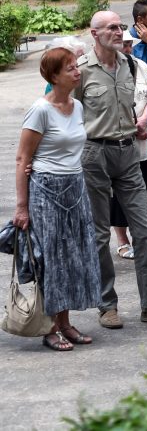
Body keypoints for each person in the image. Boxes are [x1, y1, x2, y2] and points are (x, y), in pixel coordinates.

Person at [75, 11, 147, 329]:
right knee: (99, 235)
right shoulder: (81, 71)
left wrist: (140, 123)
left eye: (120, 26)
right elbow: (63, 111)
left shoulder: (133, 67)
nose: (117, 31)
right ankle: (107, 305)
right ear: (94, 34)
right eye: (111, 27)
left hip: (129, 154)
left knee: (145, 232)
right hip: (93, 154)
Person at [13, 47, 101, 351]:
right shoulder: (40, 110)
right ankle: (50, 327)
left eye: (76, 66)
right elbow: (22, 157)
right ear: (53, 76)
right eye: (70, 68)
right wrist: (22, 206)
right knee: (50, 259)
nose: (77, 71)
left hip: (75, 187)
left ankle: (65, 323)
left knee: (73, 256)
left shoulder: (76, 106)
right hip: (46, 190)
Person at [111, 31, 147, 262]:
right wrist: (131, 127)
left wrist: (144, 121)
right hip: (118, 144)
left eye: (130, 44)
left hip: (144, 142)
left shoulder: (139, 65)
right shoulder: (105, 70)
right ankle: (122, 240)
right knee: (118, 194)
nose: (128, 48)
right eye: (124, 44)